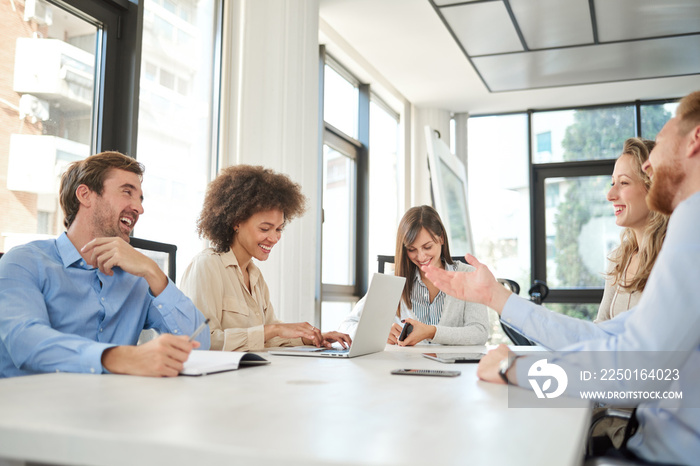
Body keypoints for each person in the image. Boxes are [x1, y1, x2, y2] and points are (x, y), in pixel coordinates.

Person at [423, 90, 700, 465]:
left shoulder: (693, 219)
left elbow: (634, 368)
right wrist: (495, 297)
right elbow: (607, 337)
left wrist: (516, 369)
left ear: (694, 138)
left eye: (661, 137)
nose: (649, 165)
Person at [0, 151, 210, 378]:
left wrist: (153, 271)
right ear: (85, 195)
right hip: (32, 407)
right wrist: (122, 358)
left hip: (112, 407)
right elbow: (24, 341)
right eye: (127, 192)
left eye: (140, 199)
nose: (139, 208)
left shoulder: (138, 277)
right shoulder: (24, 261)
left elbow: (199, 343)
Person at [180, 165, 351, 352]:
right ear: (236, 222)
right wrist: (274, 329)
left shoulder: (255, 276)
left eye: (279, 229)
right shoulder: (207, 266)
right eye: (265, 228)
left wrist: (309, 338)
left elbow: (268, 339)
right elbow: (200, 341)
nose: (274, 238)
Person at [339, 205, 488, 346]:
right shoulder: (392, 282)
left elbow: (479, 333)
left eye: (427, 247)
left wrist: (431, 332)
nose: (421, 256)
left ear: (441, 238)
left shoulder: (468, 275)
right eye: (412, 249)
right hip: (404, 369)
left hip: (454, 369)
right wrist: (378, 332)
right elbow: (346, 325)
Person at [595, 138, 669, 322]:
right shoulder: (619, 259)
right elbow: (601, 328)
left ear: (653, 188)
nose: (610, 195)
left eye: (624, 183)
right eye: (613, 183)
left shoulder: (674, 257)